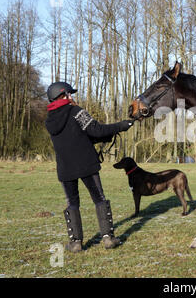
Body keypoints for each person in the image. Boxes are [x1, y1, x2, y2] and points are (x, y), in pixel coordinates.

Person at [45, 82, 134, 253]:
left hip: (65, 167)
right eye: (69, 94)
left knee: (72, 203)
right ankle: (108, 238)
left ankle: (76, 242)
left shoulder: (49, 120)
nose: (72, 97)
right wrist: (121, 126)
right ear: (63, 96)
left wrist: (105, 137)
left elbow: (78, 137)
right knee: (99, 198)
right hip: (86, 163)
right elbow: (97, 130)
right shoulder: (76, 112)